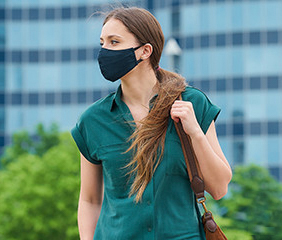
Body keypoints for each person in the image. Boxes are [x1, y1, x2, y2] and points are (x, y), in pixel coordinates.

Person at [71, 7, 232, 240]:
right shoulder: (93, 120)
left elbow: (219, 188)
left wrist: (195, 132)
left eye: (114, 42)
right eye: (102, 43)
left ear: (145, 51)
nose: (105, 51)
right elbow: (89, 200)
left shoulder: (192, 103)